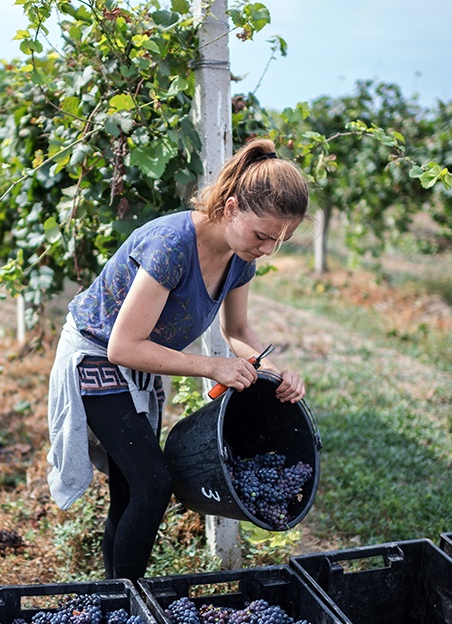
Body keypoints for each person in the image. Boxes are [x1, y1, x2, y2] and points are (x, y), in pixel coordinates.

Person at [46, 138, 310, 581]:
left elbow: (238, 331)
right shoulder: (170, 246)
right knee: (153, 484)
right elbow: (122, 346)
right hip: (96, 355)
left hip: (137, 364)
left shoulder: (240, 258)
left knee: (131, 490)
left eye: (279, 241)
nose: (267, 248)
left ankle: (116, 594)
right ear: (230, 208)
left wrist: (271, 370)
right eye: (262, 235)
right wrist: (211, 366)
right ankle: (131, 603)